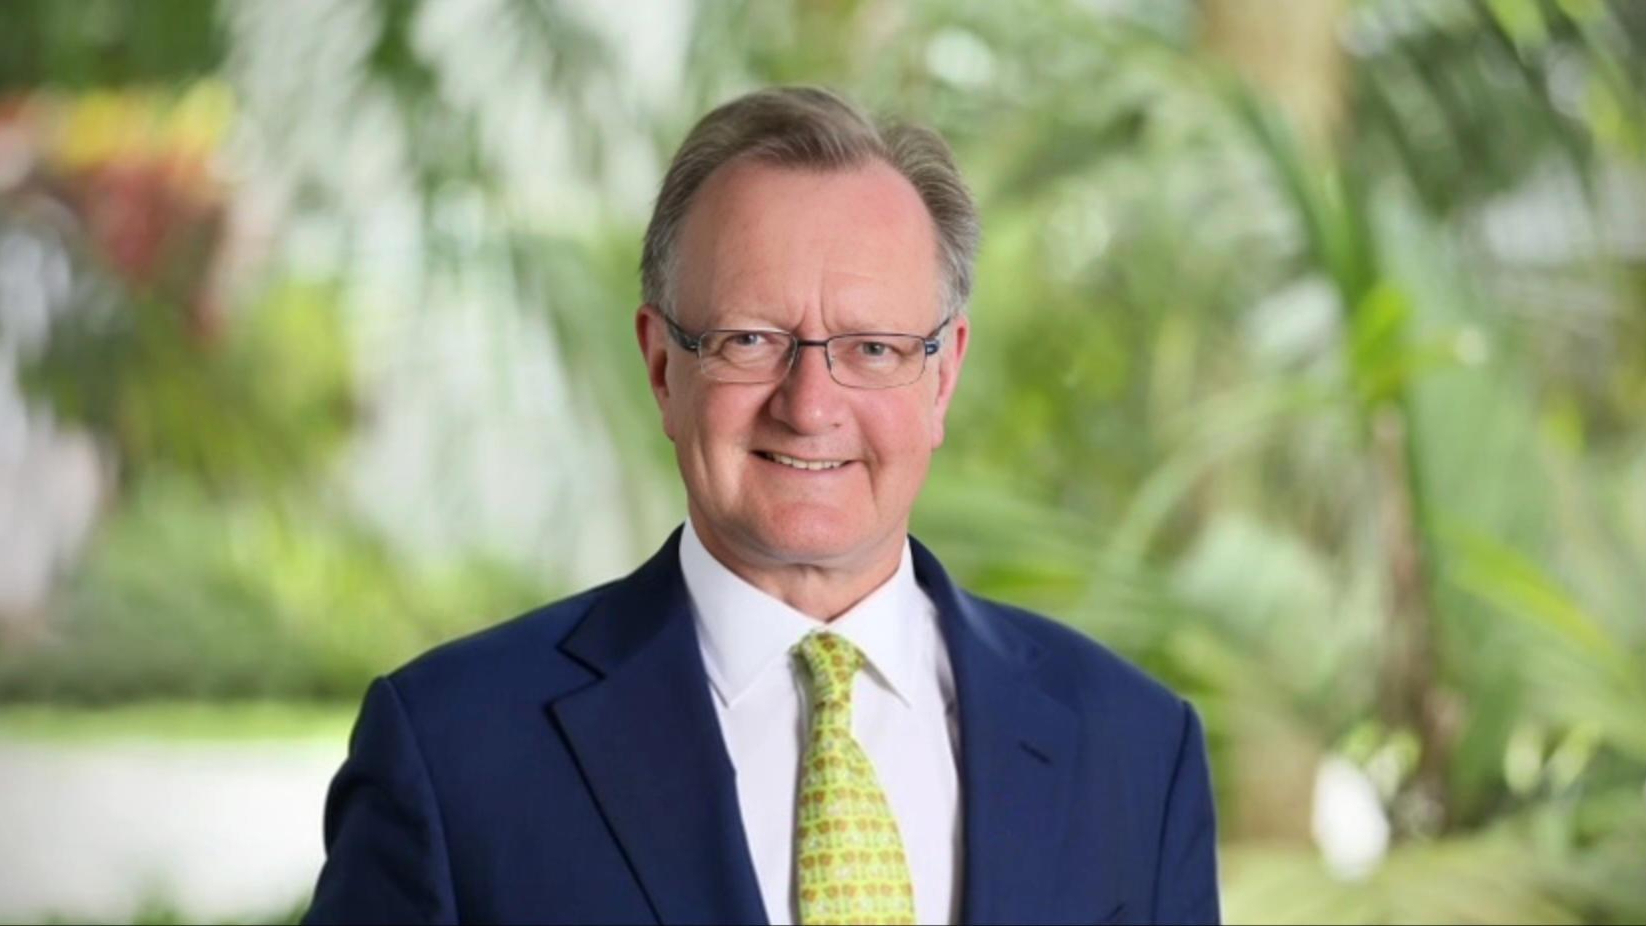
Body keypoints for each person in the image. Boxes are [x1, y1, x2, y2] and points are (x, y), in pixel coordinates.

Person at [303, 86, 1219, 926]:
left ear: (942, 378)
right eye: (750, 340)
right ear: (663, 367)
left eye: (872, 348)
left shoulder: (1137, 750)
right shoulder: (453, 752)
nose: (809, 406)